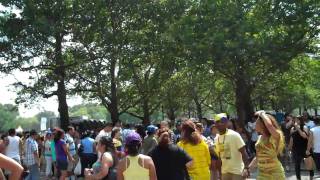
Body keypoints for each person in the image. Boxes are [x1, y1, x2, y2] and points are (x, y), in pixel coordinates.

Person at [248, 111, 285, 180]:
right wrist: (248, 169)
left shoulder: (275, 136)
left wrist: (262, 114)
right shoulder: (259, 138)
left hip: (275, 173)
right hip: (262, 173)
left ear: (263, 124)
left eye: (257, 122)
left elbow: (269, 126)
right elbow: (257, 157)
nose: (255, 124)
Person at [214, 113, 250, 180]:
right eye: (217, 122)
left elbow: (243, 152)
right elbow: (219, 157)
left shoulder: (234, 135)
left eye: (222, 122)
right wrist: (220, 173)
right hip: (224, 172)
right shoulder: (216, 138)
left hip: (237, 172)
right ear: (215, 124)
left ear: (226, 123)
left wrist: (246, 168)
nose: (220, 124)